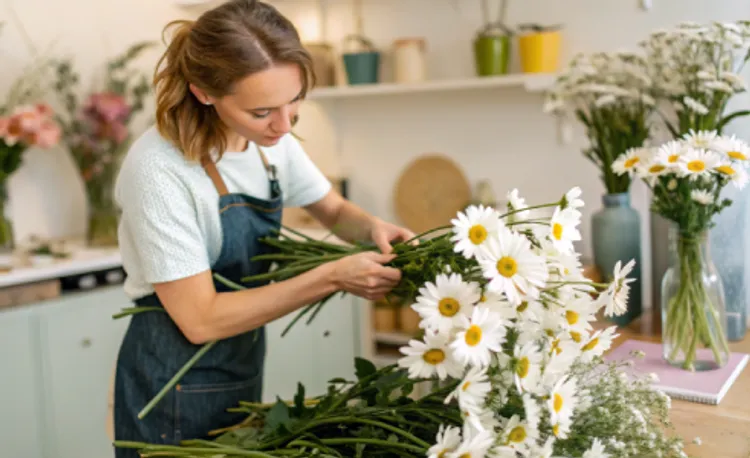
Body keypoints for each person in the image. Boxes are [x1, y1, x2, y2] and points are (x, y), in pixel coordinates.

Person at [111, 0, 415, 454]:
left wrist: (373, 228)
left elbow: (331, 210)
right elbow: (199, 319)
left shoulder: (271, 142)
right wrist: (332, 276)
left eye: (294, 102)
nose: (283, 124)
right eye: (262, 112)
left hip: (241, 364)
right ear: (204, 93)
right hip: (171, 383)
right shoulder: (159, 170)